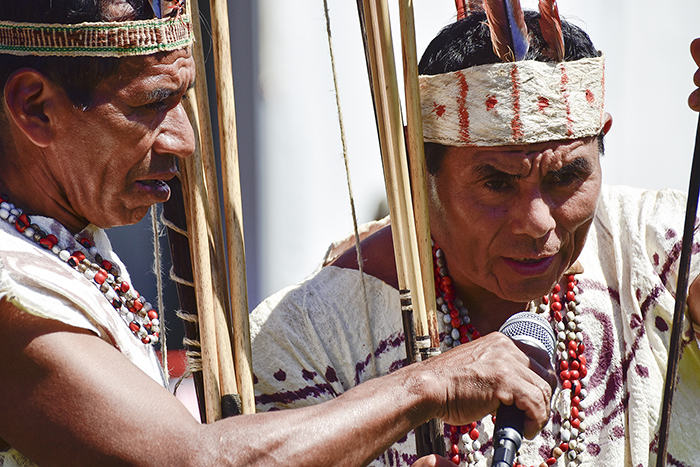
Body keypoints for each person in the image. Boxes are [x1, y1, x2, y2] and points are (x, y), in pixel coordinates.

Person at [0, 2, 556, 466]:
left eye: (183, 101)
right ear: (35, 108)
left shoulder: (61, 248)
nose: (184, 140)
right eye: (151, 104)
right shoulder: (12, 290)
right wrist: (429, 385)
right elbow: (190, 462)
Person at [250, 7, 700, 467]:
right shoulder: (305, 334)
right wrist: (421, 387)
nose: (538, 222)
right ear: (414, 165)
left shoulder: (659, 244)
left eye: (566, 177)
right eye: (498, 183)